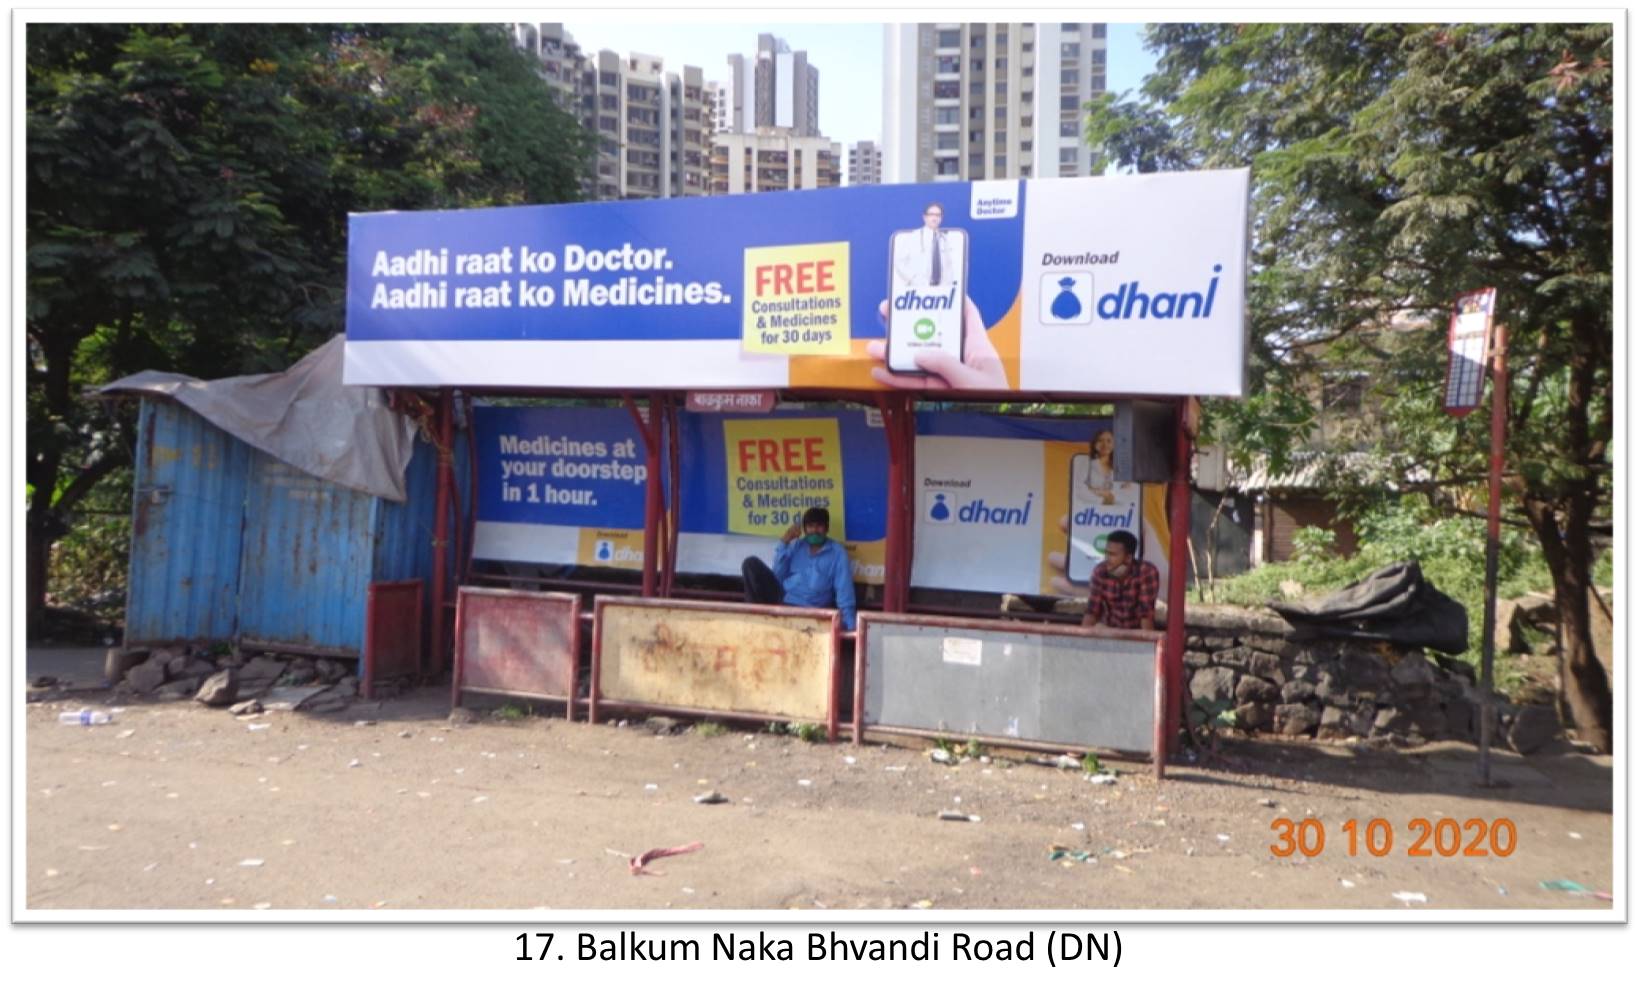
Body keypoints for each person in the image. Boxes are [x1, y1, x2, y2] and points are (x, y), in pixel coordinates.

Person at [741, 506, 857, 630]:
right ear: (805, 530)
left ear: (826, 528)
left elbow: (844, 592)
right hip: (783, 601)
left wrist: (849, 626)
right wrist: (784, 542)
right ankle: (753, 621)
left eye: (819, 526)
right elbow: (778, 576)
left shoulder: (837, 553)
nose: (814, 530)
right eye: (810, 526)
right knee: (750, 564)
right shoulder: (796, 545)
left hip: (812, 610)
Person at [1082, 529, 1160, 631]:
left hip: (1136, 633)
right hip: (1110, 632)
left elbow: (1146, 614)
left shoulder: (1146, 572)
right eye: (1106, 553)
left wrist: (1146, 643)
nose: (1107, 558)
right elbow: (1092, 611)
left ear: (1128, 558)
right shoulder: (1100, 572)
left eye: (1112, 554)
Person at [892, 202, 962, 289]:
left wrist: (948, 286)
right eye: (931, 214)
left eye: (938, 215)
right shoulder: (914, 237)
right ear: (924, 217)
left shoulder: (944, 239)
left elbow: (948, 267)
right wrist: (913, 279)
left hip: (942, 291)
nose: (934, 218)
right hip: (918, 288)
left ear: (941, 218)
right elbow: (899, 262)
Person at [1085, 429, 1117, 505]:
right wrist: (1100, 494)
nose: (1105, 444)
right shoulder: (1087, 464)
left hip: (1116, 509)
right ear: (1095, 444)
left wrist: (1110, 495)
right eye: (1100, 440)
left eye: (1109, 441)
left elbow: (1125, 490)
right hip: (1090, 506)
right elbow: (1080, 488)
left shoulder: (1119, 467)